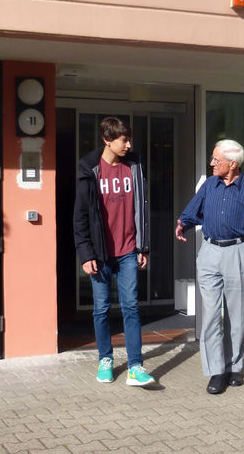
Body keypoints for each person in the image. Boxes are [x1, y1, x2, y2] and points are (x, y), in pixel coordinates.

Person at [175, 139, 244, 395]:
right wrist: (183, 222)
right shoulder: (210, 184)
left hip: (238, 253)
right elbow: (193, 209)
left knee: (238, 315)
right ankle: (216, 371)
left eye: (216, 160)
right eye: (212, 159)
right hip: (209, 253)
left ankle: (234, 367)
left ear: (232, 164)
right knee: (210, 315)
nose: (211, 164)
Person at [73, 116, 155, 387]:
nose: (128, 145)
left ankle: (135, 366)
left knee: (131, 307)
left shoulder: (134, 166)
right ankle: (105, 359)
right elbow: (80, 216)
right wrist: (85, 254)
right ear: (107, 140)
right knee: (101, 309)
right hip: (99, 254)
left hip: (129, 251)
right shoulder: (90, 169)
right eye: (123, 140)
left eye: (129, 139)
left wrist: (143, 246)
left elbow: (142, 210)